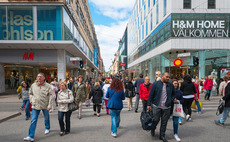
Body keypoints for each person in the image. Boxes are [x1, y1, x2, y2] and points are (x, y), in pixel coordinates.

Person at [147, 72, 175, 142]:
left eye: (169, 77)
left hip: (167, 107)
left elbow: (173, 95)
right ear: (162, 76)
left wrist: (170, 100)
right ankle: (153, 128)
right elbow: (151, 94)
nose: (168, 78)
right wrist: (148, 104)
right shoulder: (155, 84)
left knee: (164, 122)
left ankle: (162, 135)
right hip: (157, 106)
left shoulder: (170, 85)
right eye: (166, 77)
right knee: (156, 120)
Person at [23, 73, 52, 142]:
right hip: (35, 105)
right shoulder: (33, 85)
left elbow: (50, 95)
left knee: (46, 117)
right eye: (38, 76)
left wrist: (49, 105)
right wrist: (32, 100)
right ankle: (31, 136)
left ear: (44, 78)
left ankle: (47, 128)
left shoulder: (48, 86)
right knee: (33, 120)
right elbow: (30, 93)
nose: (39, 78)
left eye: (40, 76)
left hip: (45, 104)